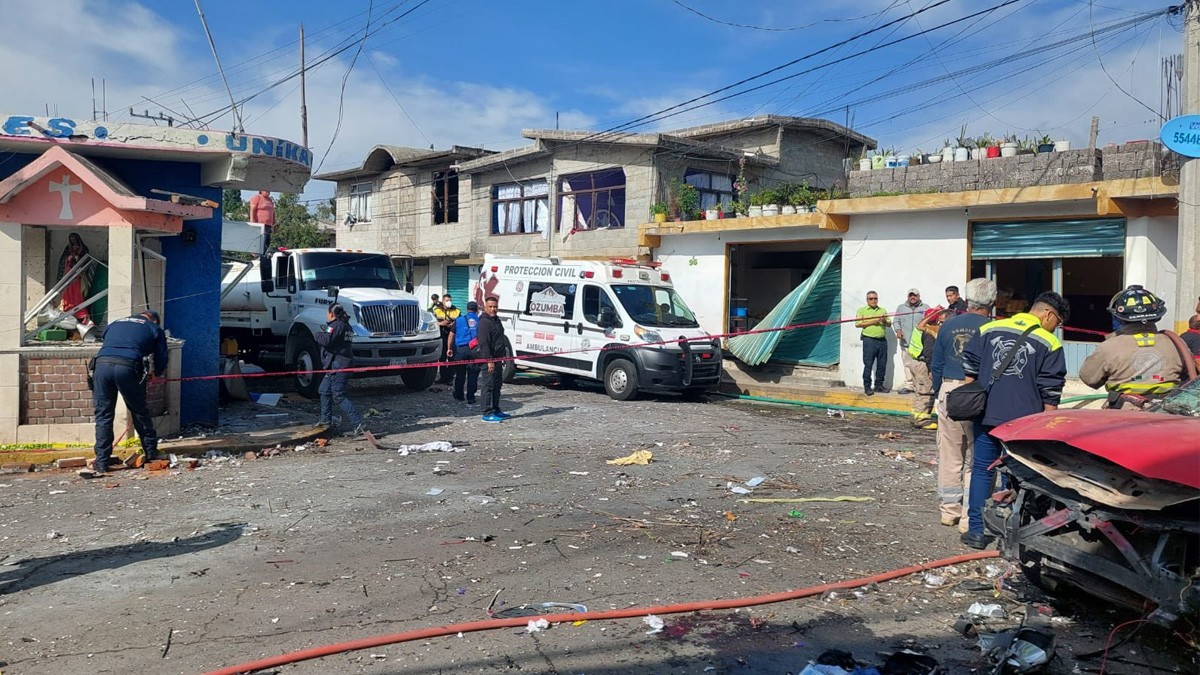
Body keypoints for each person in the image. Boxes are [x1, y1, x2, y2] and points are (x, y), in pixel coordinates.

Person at [960, 291, 1069, 549]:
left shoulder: (990, 328)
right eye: (1059, 323)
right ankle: (1015, 533)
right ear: (1049, 315)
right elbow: (1051, 389)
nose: (1057, 329)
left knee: (982, 471)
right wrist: (1047, 429)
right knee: (1020, 476)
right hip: (1024, 425)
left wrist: (974, 397)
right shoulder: (1049, 342)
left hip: (986, 415)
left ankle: (977, 531)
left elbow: (970, 365)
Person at [931, 278, 996, 531]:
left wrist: (940, 393)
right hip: (979, 393)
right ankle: (970, 517)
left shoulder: (948, 325)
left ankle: (949, 511)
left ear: (967, 300)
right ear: (992, 301)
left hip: (950, 389)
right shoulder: (994, 328)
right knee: (978, 458)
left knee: (949, 452)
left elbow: (936, 364)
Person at [86, 310, 168, 477]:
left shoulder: (115, 323)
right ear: (154, 320)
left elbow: (110, 342)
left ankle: (101, 462)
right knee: (139, 410)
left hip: (101, 366)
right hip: (128, 367)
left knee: (103, 415)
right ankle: (151, 453)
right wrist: (156, 372)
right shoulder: (154, 328)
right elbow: (161, 357)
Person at [1079, 285, 1185, 406]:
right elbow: (1190, 377)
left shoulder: (1108, 347)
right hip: (1168, 412)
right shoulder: (1176, 343)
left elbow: (1089, 378)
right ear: (1158, 314)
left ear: (1119, 317)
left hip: (1124, 413)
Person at [315, 304, 365, 437]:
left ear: (331, 314)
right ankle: (326, 420)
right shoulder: (346, 325)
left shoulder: (336, 325)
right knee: (324, 391)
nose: (326, 315)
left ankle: (358, 424)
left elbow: (325, 340)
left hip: (339, 366)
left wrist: (317, 334)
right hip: (335, 366)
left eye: (327, 313)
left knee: (339, 395)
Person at [907, 306, 946, 430]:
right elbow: (930, 353)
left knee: (920, 391)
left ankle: (916, 416)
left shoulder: (920, 328)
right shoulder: (929, 332)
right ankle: (921, 419)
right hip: (923, 364)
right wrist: (931, 369)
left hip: (915, 362)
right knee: (926, 391)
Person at [477, 295, 509, 422]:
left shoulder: (496, 320)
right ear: (485, 307)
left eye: (495, 307)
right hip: (489, 360)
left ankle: (496, 409)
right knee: (488, 385)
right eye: (490, 307)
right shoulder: (484, 322)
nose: (493, 309)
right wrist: (489, 360)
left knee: (497, 385)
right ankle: (486, 412)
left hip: (498, 359)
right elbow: (484, 343)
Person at [893, 288, 929, 395]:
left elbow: (930, 322)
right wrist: (898, 330)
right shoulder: (901, 308)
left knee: (921, 365)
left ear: (919, 296)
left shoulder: (925, 308)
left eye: (915, 295)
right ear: (907, 296)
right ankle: (909, 385)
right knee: (907, 364)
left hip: (920, 344)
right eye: (910, 295)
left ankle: (921, 385)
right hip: (906, 342)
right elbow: (896, 321)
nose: (912, 297)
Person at [855, 291, 890, 395]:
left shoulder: (882, 310)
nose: (873, 300)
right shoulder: (862, 310)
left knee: (882, 364)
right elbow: (857, 324)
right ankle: (867, 386)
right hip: (869, 341)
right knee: (868, 364)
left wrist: (883, 321)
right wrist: (874, 321)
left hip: (882, 340)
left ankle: (879, 385)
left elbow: (889, 324)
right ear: (867, 300)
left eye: (875, 298)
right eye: (871, 299)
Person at [446, 300, 481, 405]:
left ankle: (459, 395)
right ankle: (471, 397)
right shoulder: (480, 320)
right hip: (475, 350)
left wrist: (449, 348)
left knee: (460, 373)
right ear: (477, 310)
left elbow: (451, 335)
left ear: (466, 309)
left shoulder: (459, 320)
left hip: (460, 350)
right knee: (473, 374)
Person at [58, 232, 95, 325]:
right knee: (67, 294)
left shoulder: (84, 248)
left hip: (79, 275)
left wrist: (78, 259)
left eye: (74, 238)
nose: (73, 241)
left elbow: (87, 261)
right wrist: (69, 258)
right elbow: (63, 261)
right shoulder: (68, 248)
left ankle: (81, 313)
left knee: (79, 294)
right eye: (71, 239)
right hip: (68, 275)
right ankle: (67, 308)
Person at [433, 294, 461, 384]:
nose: (449, 302)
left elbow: (460, 322)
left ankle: (450, 377)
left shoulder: (456, 311)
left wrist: (453, 325)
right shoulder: (437, 311)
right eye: (447, 300)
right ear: (443, 301)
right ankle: (443, 377)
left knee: (451, 357)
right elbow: (431, 322)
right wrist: (441, 324)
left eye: (450, 300)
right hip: (441, 336)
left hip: (452, 337)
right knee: (442, 358)